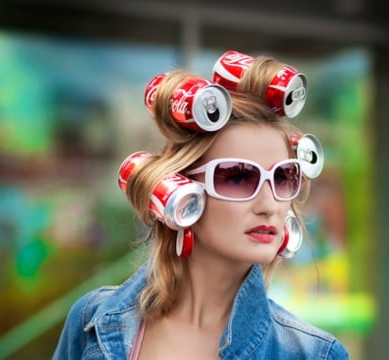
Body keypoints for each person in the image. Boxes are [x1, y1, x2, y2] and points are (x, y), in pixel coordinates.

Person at [52, 51, 349, 359]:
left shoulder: (314, 354)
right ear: (183, 189)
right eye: (238, 177)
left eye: (283, 177)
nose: (269, 204)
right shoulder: (91, 322)